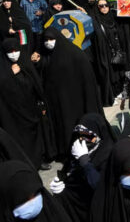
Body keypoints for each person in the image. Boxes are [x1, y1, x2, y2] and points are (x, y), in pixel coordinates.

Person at [34, 27, 102, 158]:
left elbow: (87, 78)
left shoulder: (75, 54)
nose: (48, 42)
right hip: (58, 102)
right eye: (46, 40)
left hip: (75, 101)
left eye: (51, 39)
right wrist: (38, 62)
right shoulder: (47, 55)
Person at [50, 113, 116, 222]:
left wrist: (84, 161)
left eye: (88, 134)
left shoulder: (109, 155)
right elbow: (70, 172)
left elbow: (102, 188)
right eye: (79, 133)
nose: (83, 138)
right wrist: (60, 184)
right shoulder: (78, 148)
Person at [0, 38, 48, 169]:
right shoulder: (3, 68)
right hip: (13, 114)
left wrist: (41, 103)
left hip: (30, 108)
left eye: (16, 50)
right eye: (10, 52)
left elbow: (36, 83)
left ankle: (38, 161)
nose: (14, 54)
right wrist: (10, 74)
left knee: (35, 137)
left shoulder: (24, 63)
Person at [0, 160, 72, 222]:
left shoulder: (52, 210)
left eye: (35, 194)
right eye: (23, 200)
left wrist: (62, 196)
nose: (32, 202)